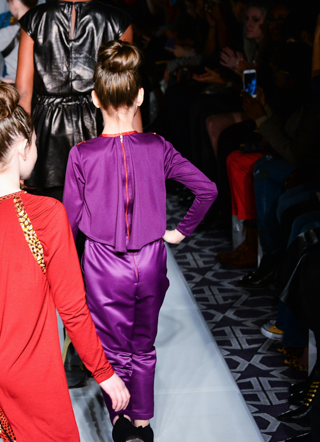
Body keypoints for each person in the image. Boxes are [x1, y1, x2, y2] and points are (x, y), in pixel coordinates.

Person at [0, 82, 129, 442]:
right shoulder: (46, 214)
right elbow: (72, 308)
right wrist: (103, 372)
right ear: (24, 147)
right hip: (29, 373)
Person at [63, 41, 217, 442]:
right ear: (141, 96)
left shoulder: (82, 155)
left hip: (103, 263)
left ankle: (120, 422)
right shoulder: (158, 146)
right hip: (151, 259)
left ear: (95, 98)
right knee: (143, 346)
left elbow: (69, 222)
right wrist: (179, 231)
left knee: (114, 349)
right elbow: (207, 189)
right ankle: (143, 424)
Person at [16, 0, 137, 201]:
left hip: (46, 139)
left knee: (52, 224)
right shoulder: (118, 22)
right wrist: (137, 152)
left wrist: (19, 154)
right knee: (100, 222)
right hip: (101, 132)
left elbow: (23, 95)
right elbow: (127, 96)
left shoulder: (33, 21)